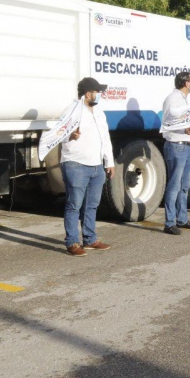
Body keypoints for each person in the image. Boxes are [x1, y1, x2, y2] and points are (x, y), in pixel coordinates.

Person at [60, 77, 115, 257]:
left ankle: (90, 239)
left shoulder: (99, 112)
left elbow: (105, 138)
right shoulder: (73, 110)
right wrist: (71, 137)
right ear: (88, 93)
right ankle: (72, 242)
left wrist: (110, 162)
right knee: (74, 205)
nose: (100, 95)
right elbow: (59, 135)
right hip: (76, 164)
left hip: (96, 165)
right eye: (97, 92)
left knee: (92, 204)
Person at [160, 71, 190, 235]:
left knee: (184, 185)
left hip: (187, 145)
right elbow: (167, 123)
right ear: (186, 83)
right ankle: (169, 223)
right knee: (174, 185)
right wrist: (184, 128)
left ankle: (182, 219)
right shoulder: (172, 99)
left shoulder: (184, 99)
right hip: (176, 145)